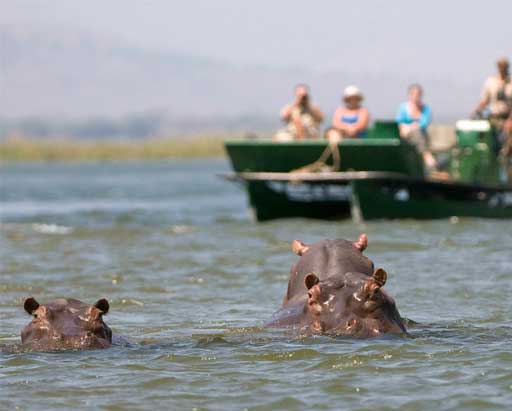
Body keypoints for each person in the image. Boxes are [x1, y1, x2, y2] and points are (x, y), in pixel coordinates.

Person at [472, 57, 512, 155]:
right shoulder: (491, 82)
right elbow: (485, 100)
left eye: (504, 67)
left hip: (507, 117)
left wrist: (510, 120)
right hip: (494, 117)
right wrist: (475, 111)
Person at [396, 84, 437, 172]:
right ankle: (426, 155)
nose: (415, 96)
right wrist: (406, 128)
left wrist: (411, 127)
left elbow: (423, 123)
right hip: (404, 135)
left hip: (421, 135)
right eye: (413, 94)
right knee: (410, 131)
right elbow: (399, 121)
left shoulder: (426, 109)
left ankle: (425, 156)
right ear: (409, 95)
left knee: (416, 132)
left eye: (418, 94)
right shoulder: (403, 108)